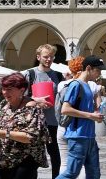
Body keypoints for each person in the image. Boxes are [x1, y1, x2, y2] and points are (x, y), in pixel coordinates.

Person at [0, 72, 49, 179]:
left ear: (21, 90)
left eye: (9, 89)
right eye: (3, 89)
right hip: (3, 159)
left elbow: (31, 137)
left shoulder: (32, 108)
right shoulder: (4, 104)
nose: (4, 92)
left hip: (24, 161)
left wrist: (4, 134)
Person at [57, 56, 106, 179]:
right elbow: (65, 109)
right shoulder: (76, 85)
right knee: (71, 173)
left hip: (89, 136)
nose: (99, 74)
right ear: (89, 68)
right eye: (98, 70)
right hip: (77, 137)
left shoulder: (88, 86)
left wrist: (95, 115)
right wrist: (91, 115)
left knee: (94, 174)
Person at [25, 44, 63, 179]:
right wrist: (36, 100)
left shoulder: (58, 76)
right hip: (34, 121)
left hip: (52, 120)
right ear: (38, 57)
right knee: (32, 153)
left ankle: (56, 177)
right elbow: (21, 97)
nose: (49, 59)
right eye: (46, 56)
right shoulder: (29, 74)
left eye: (51, 57)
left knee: (54, 153)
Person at [56, 57, 86, 179]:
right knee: (82, 165)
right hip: (79, 129)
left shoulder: (62, 84)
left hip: (62, 126)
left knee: (64, 163)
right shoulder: (91, 85)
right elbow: (96, 106)